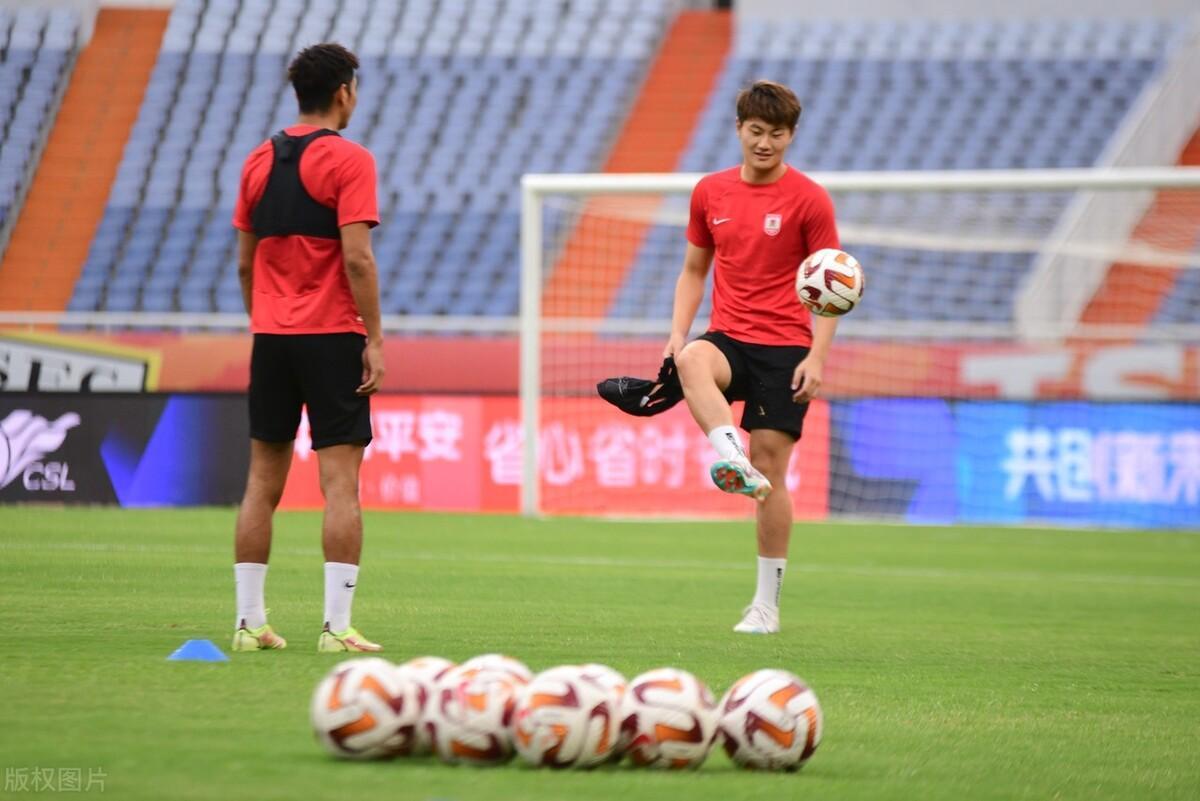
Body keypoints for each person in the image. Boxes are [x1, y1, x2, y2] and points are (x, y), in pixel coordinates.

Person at [664, 80, 840, 635]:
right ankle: (730, 457)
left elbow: (832, 285)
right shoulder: (709, 192)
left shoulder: (810, 199)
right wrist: (677, 333)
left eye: (777, 134)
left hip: (786, 348)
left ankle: (766, 605)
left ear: (791, 135)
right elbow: (694, 270)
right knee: (693, 359)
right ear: (739, 128)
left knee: (772, 473)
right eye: (757, 131)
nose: (765, 143)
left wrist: (817, 357)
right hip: (730, 337)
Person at [229, 43, 385, 653]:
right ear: (345, 92)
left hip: (271, 338)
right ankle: (336, 628)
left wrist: (266, 319)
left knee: (260, 482)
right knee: (340, 483)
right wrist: (374, 338)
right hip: (331, 337)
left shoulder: (256, 160)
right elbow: (357, 258)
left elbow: (246, 264)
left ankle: (249, 625)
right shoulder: (350, 160)